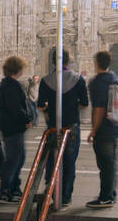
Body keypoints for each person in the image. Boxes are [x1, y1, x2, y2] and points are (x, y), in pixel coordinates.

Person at [38, 51, 89, 207]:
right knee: (69, 162)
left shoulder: (45, 80)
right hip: (71, 126)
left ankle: (52, 193)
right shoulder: (78, 79)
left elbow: (40, 105)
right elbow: (85, 103)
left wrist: (49, 109)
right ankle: (65, 197)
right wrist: (73, 105)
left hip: (53, 127)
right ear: (68, 61)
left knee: (52, 162)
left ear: (53, 61)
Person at [87, 50, 118, 209]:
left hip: (104, 129)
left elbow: (99, 109)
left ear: (96, 63)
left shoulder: (98, 82)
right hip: (115, 125)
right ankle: (110, 194)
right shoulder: (114, 78)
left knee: (105, 164)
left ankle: (106, 197)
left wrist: (93, 130)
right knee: (112, 162)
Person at [0, 55, 33, 202]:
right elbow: (16, 108)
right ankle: (5, 190)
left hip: (11, 127)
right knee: (13, 159)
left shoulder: (7, 84)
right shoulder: (12, 86)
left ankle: (14, 188)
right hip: (13, 127)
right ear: (17, 69)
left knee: (18, 158)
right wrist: (27, 119)